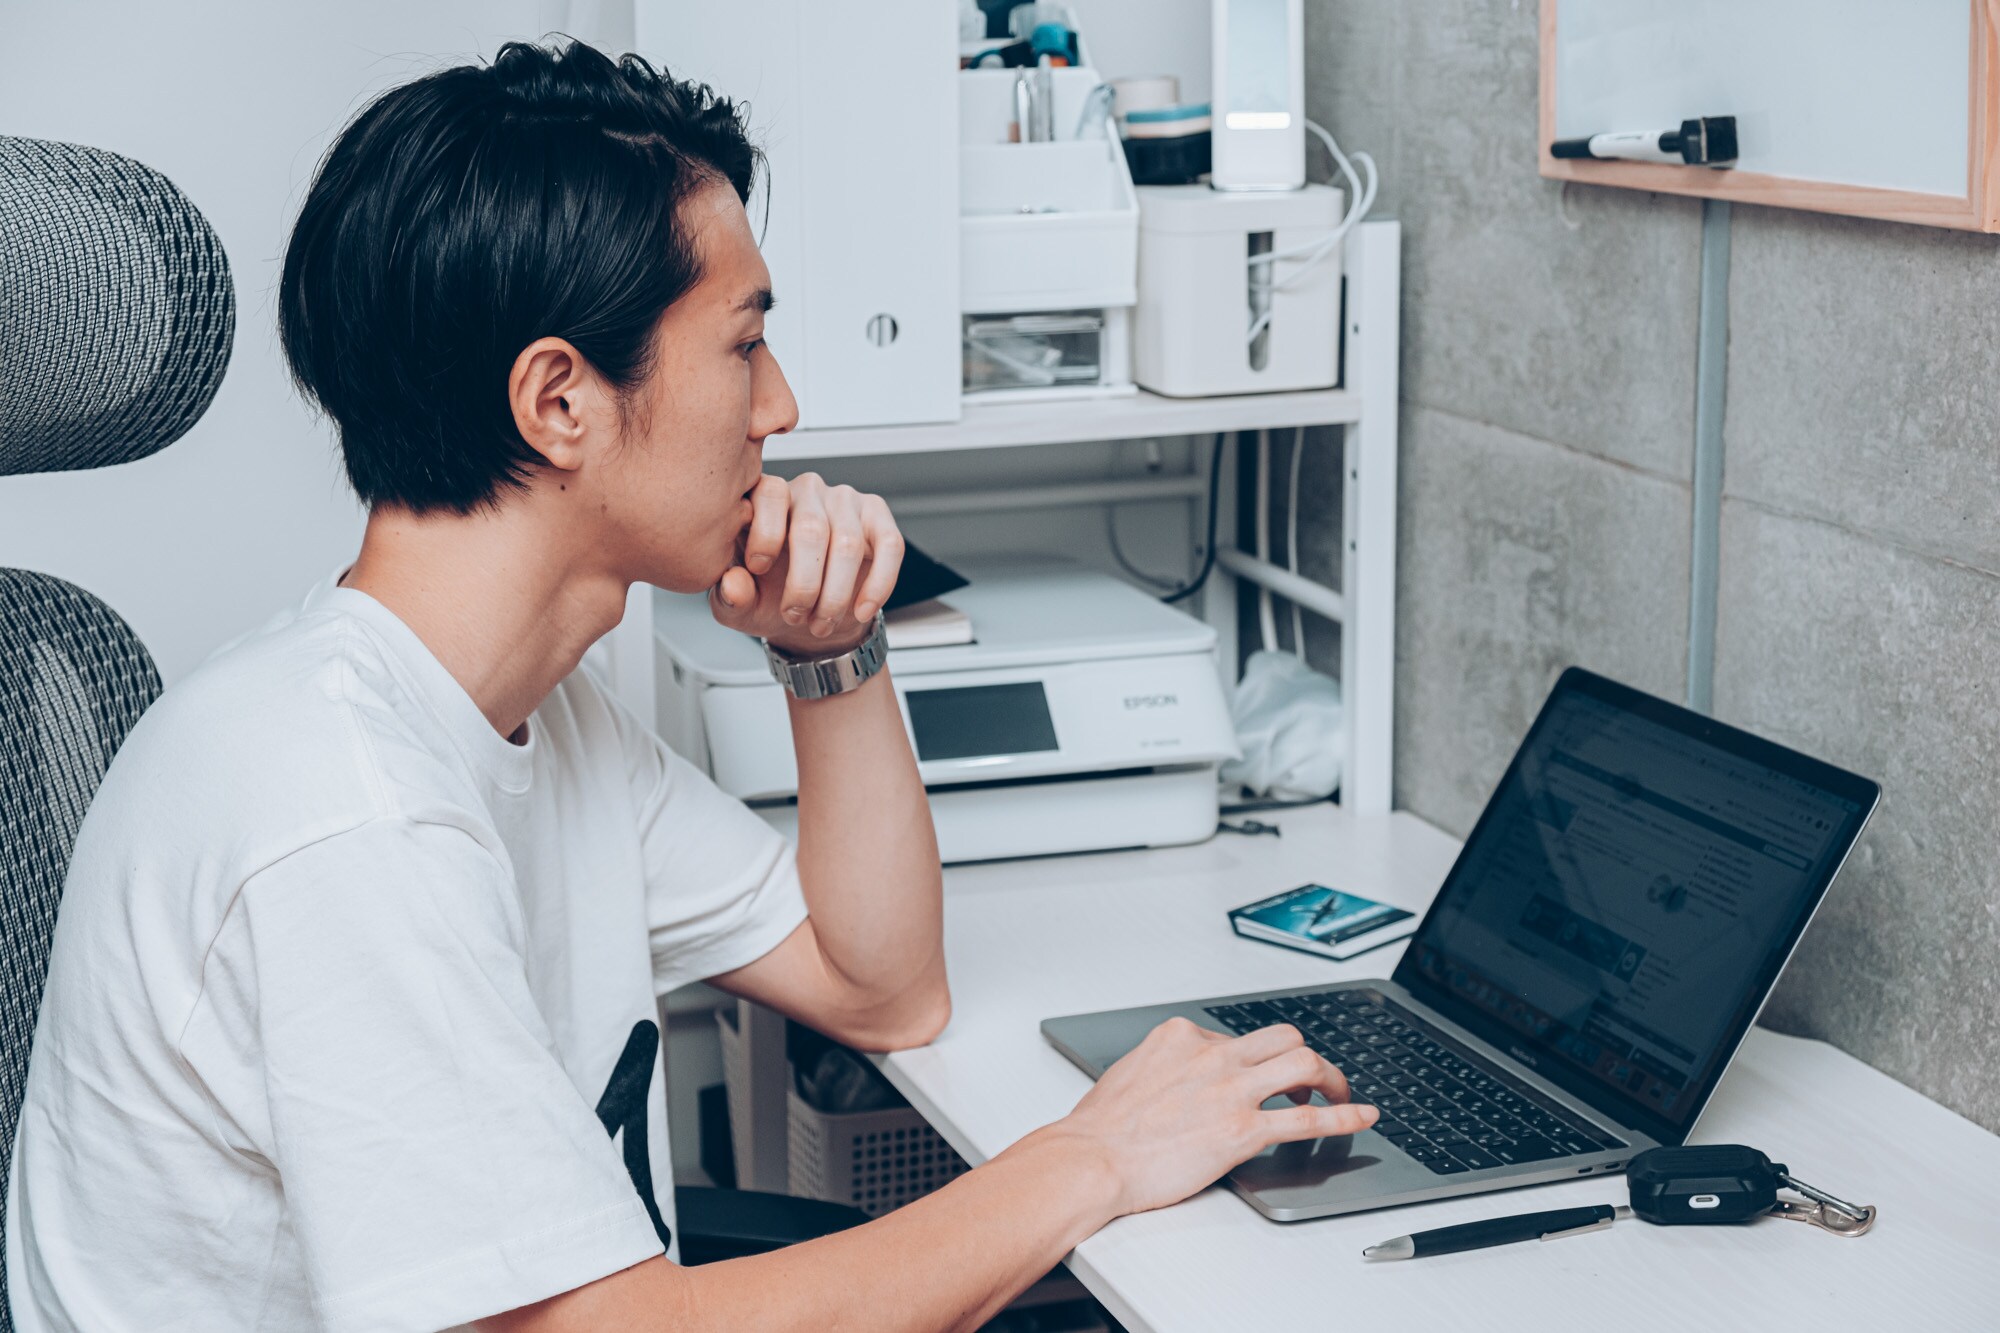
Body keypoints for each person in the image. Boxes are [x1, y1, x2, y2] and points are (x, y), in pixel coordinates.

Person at [4, 39, 1374, 1332]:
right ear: (558, 403)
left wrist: (830, 651)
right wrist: (1092, 1153)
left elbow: (881, 986)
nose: (779, 407)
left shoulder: (530, 715)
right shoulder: (340, 811)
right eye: (742, 342)